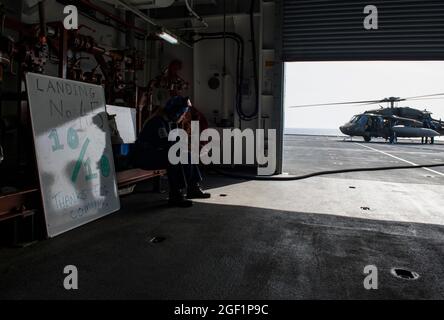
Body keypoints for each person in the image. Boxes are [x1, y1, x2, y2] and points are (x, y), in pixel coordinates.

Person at [133, 96, 210, 207]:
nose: (183, 117)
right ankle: (176, 195)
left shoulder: (167, 122)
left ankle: (193, 188)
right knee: (174, 157)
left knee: (187, 155)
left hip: (155, 154)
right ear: (176, 113)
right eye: (183, 114)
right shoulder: (157, 122)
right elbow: (165, 144)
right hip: (144, 157)